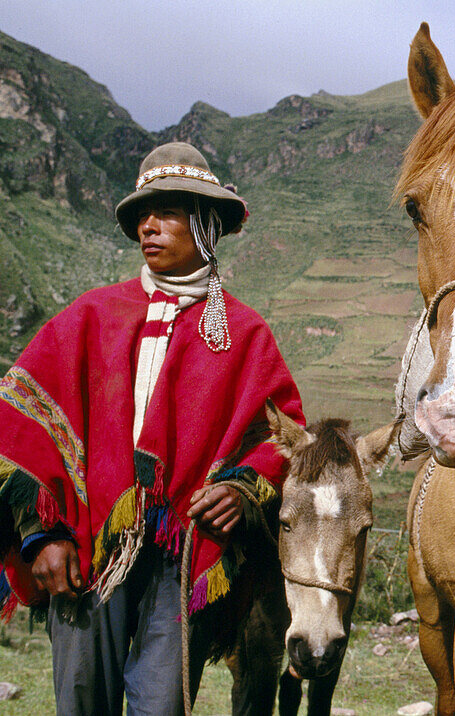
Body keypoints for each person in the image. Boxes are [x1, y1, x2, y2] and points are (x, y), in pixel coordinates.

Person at [0, 141, 304, 714]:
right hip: (85, 545)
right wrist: (42, 535)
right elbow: (18, 430)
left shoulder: (244, 333)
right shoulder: (91, 316)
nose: (148, 225)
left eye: (167, 210)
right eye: (142, 213)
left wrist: (241, 488)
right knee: (82, 697)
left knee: (162, 706)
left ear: (206, 222)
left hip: (184, 553)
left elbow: (280, 437)